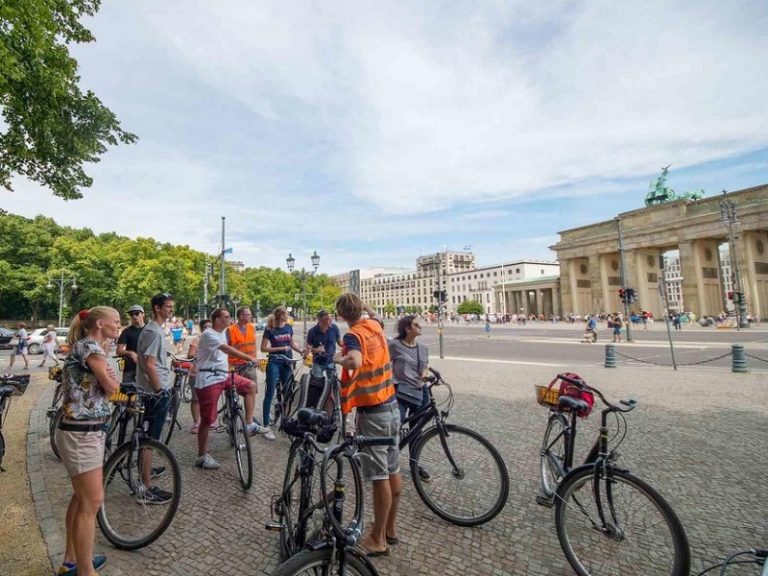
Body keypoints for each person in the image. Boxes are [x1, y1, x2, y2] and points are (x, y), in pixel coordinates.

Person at [54, 307, 120, 576]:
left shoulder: (88, 345)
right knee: (92, 502)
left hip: (78, 430)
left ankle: (72, 560)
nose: (119, 325)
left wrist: (108, 377)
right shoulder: (91, 346)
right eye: (116, 321)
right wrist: (110, 379)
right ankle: (85, 571)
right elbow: (111, 386)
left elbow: (104, 381)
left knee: (80, 499)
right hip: (82, 433)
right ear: (101, 323)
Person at [333, 293, 400, 557]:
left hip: (373, 413)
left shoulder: (353, 335)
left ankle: (376, 539)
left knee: (379, 476)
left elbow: (355, 361)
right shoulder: (375, 325)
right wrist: (364, 307)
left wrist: (337, 358)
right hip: (393, 407)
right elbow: (375, 315)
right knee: (394, 470)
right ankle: (389, 529)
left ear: (340, 315)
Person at [193, 308, 261, 469]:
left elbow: (224, 356)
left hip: (224, 375)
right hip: (209, 379)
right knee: (208, 420)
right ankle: (201, 456)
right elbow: (227, 349)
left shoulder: (222, 332)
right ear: (217, 320)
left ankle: (249, 422)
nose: (230, 319)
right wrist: (249, 358)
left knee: (251, 386)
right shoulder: (209, 334)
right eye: (226, 317)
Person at [135, 293, 175, 504]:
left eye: (171, 306)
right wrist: (160, 390)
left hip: (151, 390)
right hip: (154, 393)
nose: (171, 310)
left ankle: (145, 474)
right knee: (151, 440)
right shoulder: (153, 332)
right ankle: (146, 488)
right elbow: (150, 364)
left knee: (148, 438)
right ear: (157, 308)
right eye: (168, 307)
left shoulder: (153, 330)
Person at [389, 315, 430, 482]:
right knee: (395, 426)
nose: (420, 326)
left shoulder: (423, 348)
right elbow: (383, 362)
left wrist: (425, 375)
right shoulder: (395, 345)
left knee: (416, 431)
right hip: (400, 392)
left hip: (421, 392)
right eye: (416, 324)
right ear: (407, 328)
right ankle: (387, 460)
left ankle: (415, 463)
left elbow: (425, 367)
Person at [260, 306, 304, 440]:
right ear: (280, 315)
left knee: (287, 393)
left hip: (287, 363)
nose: (288, 316)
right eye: (286, 314)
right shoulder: (270, 329)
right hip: (274, 362)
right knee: (270, 392)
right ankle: (266, 425)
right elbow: (263, 348)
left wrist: (301, 351)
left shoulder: (288, 328)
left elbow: (292, 344)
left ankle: (286, 420)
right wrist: (279, 348)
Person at [305, 309, 342, 410]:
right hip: (318, 362)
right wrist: (315, 350)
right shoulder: (312, 332)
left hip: (330, 361)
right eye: (327, 319)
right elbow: (308, 347)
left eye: (330, 318)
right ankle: (317, 406)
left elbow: (340, 342)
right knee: (317, 385)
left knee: (334, 385)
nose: (330, 320)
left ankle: (336, 407)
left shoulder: (334, 328)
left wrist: (347, 348)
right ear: (320, 320)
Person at [187, 318, 211, 434]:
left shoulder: (215, 340)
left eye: (210, 327)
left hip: (211, 373)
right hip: (196, 373)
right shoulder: (197, 340)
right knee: (196, 399)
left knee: (209, 398)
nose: (208, 329)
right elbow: (190, 355)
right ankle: (196, 422)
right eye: (206, 327)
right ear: (202, 329)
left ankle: (208, 420)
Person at [115, 305, 145, 383]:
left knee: (147, 393)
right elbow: (118, 351)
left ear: (143, 314)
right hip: (130, 368)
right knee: (128, 392)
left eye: (137, 313)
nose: (134, 316)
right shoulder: (126, 331)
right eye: (131, 314)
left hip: (146, 368)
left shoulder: (149, 330)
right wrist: (131, 353)